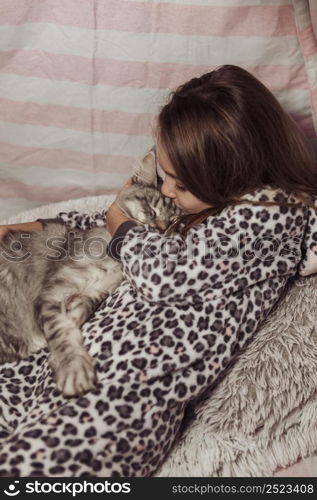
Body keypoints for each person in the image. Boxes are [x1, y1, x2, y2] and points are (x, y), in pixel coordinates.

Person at [0, 64, 317, 477]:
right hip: (59, 365)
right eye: (166, 176)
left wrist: (121, 225)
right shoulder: (207, 203)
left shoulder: (273, 215)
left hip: (123, 399)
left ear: (231, 172)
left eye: (180, 185)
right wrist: (26, 229)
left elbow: (164, 275)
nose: (167, 190)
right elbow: (108, 221)